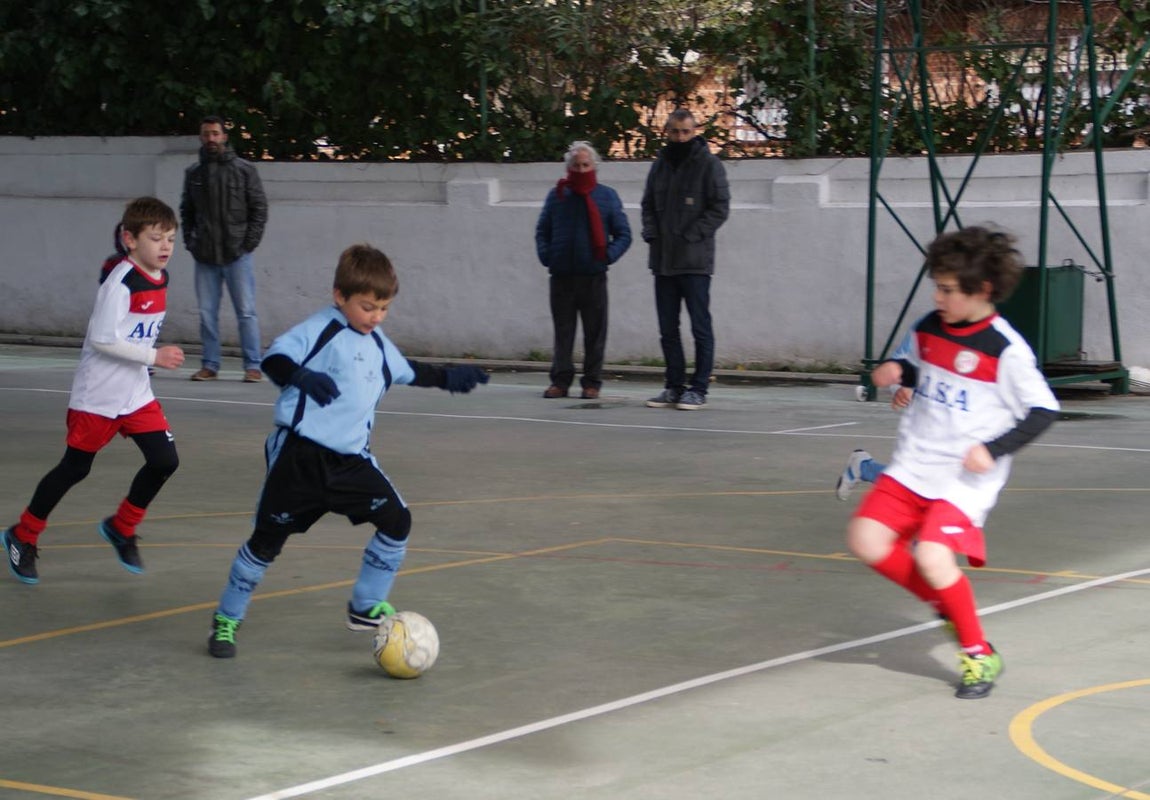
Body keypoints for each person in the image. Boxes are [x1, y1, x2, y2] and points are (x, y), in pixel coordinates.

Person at [206, 243, 490, 658]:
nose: (376, 317)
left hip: (351, 461)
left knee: (397, 521)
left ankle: (365, 605)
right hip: (299, 459)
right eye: (367, 307)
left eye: (384, 308)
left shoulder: (378, 343)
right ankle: (227, 618)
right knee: (266, 542)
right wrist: (301, 377)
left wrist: (449, 378)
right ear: (340, 296)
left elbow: (410, 371)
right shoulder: (320, 329)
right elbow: (274, 360)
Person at [844, 225, 1059, 700]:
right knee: (865, 538)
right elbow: (924, 367)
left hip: (963, 480)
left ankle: (978, 653)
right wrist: (899, 371)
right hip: (914, 464)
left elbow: (1045, 409)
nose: (937, 297)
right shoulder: (930, 326)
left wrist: (993, 449)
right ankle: (943, 602)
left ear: (982, 290)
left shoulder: (1006, 350)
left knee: (932, 555)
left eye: (947, 290)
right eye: (936, 287)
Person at [2, 197, 185, 584]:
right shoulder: (121, 283)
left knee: (164, 461)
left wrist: (148, 361)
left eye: (170, 238)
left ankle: (121, 527)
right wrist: (153, 355)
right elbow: (103, 339)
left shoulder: (161, 277)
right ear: (130, 240)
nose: (165, 246)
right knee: (75, 468)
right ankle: (23, 534)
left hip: (135, 393)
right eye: (156, 238)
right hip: (99, 395)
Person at [640, 108, 730, 411]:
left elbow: (720, 207)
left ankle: (699, 388)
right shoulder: (660, 165)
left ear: (694, 132)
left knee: (700, 327)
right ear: (667, 132)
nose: (680, 137)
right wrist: (651, 234)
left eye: (686, 132)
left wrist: (692, 235)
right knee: (667, 329)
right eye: (675, 131)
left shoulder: (709, 165)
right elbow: (648, 205)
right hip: (663, 262)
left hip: (695, 262)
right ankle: (674, 386)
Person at [534, 141, 632, 400]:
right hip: (562, 276)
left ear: (594, 166)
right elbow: (542, 231)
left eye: (585, 165)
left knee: (595, 334)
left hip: (593, 276)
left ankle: (592, 383)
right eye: (576, 165)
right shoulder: (557, 196)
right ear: (569, 167)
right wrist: (547, 256)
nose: (581, 169)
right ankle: (560, 381)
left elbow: (624, 234)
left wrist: (607, 256)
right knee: (563, 333)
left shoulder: (607, 196)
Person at [180, 114, 268, 383]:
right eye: (206, 134)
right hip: (205, 255)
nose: (211, 138)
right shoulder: (194, 173)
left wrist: (248, 244)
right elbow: (186, 211)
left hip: (237, 254)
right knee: (207, 314)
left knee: (246, 312)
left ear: (225, 137)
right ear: (201, 137)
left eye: (215, 133)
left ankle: (253, 366)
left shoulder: (245, 170)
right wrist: (191, 242)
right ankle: (210, 364)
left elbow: (259, 209)